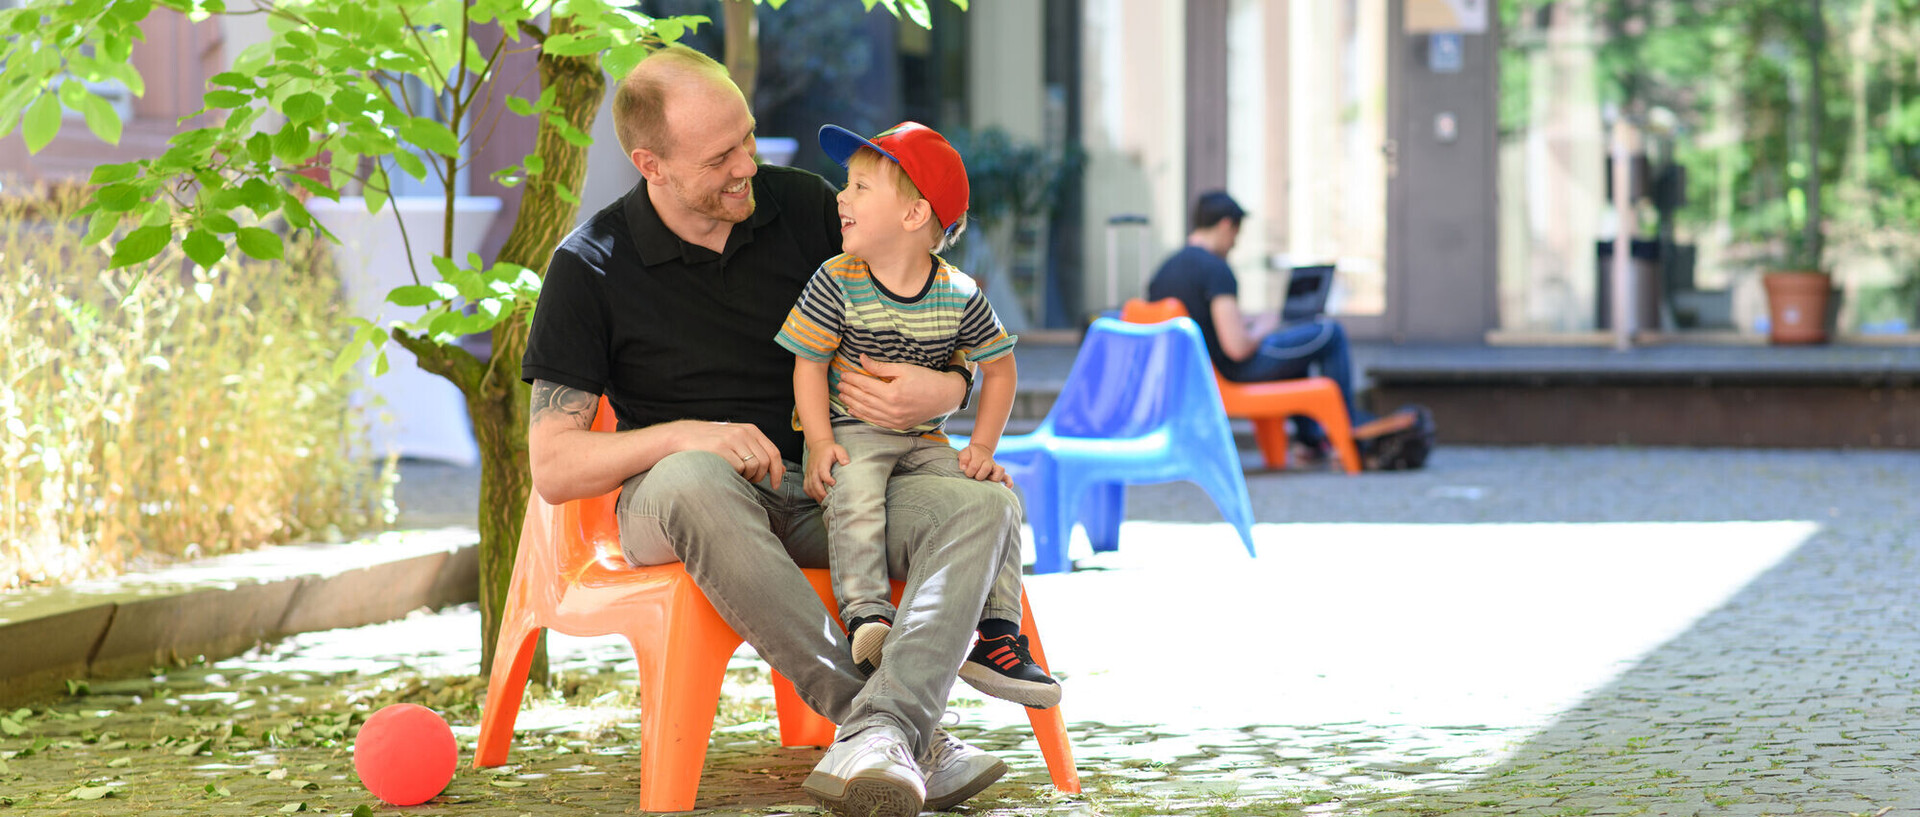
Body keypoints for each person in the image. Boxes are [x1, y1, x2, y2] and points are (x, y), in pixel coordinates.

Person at [521, 45, 1034, 817]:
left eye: (749, 137)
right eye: (721, 154)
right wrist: (687, 434)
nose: (747, 165)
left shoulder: (799, 207)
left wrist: (952, 382)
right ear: (650, 163)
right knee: (694, 477)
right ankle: (892, 725)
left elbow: (921, 289)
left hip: (836, 486)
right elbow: (555, 466)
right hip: (690, 503)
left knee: (983, 508)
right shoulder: (589, 265)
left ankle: (883, 733)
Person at [774, 121, 1060, 709]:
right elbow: (807, 363)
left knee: (1000, 498)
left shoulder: (959, 294)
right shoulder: (835, 280)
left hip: (924, 439)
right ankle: (867, 618)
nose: (840, 198)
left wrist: (981, 448)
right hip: (853, 431)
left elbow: (1001, 370)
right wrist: (821, 442)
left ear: (913, 216)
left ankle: (1000, 636)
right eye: (845, 186)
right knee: (853, 490)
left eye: (859, 188)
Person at [1145, 190, 1411, 461]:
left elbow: (1202, 321)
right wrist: (1264, 326)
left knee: (1296, 354)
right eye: (1237, 234)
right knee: (1330, 333)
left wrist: (1244, 322)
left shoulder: (1164, 271)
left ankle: (1311, 441)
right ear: (1226, 225)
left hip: (1194, 376)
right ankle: (1349, 428)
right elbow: (1237, 349)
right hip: (1232, 376)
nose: (1235, 243)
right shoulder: (1215, 269)